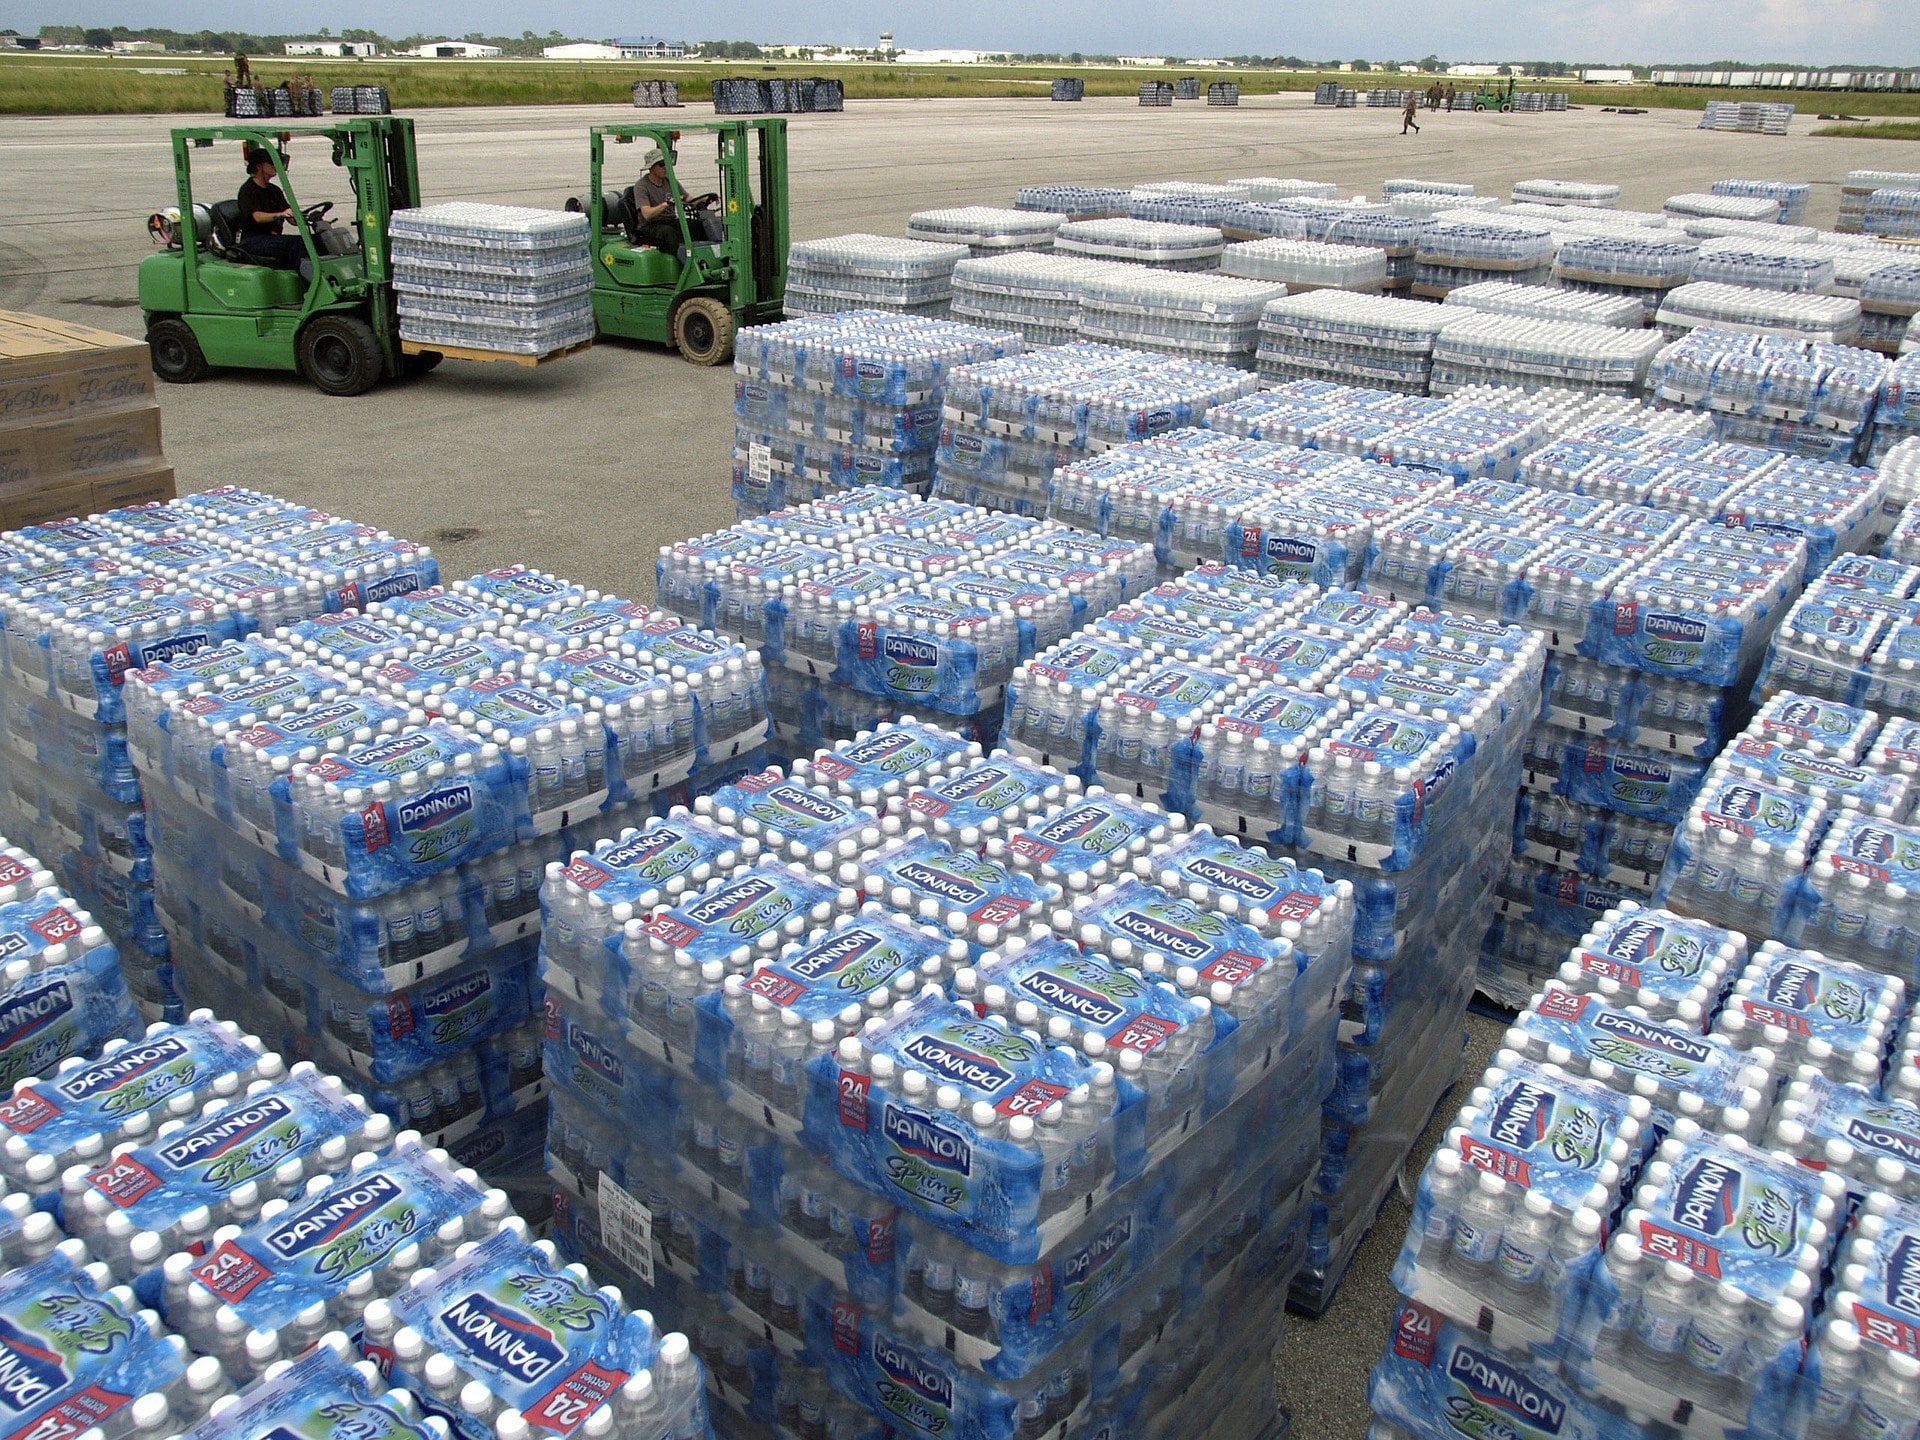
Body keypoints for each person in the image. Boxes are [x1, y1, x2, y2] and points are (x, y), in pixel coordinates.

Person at [632, 146, 722, 254]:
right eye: (661, 164)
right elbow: (647, 214)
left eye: (667, 163)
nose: (665, 167)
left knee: (695, 225)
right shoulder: (641, 186)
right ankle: (683, 261)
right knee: (668, 232)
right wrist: (666, 204)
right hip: (650, 226)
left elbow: (688, 199)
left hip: (670, 221)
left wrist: (706, 198)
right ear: (651, 167)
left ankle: (706, 255)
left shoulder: (670, 181)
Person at [236, 148, 307, 270]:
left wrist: (300, 217)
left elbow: (289, 214)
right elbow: (257, 216)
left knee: (314, 241)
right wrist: (281, 214)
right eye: (272, 163)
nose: (276, 166)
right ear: (259, 165)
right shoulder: (248, 190)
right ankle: (309, 280)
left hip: (271, 238)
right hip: (254, 240)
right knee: (295, 244)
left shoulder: (274, 190)